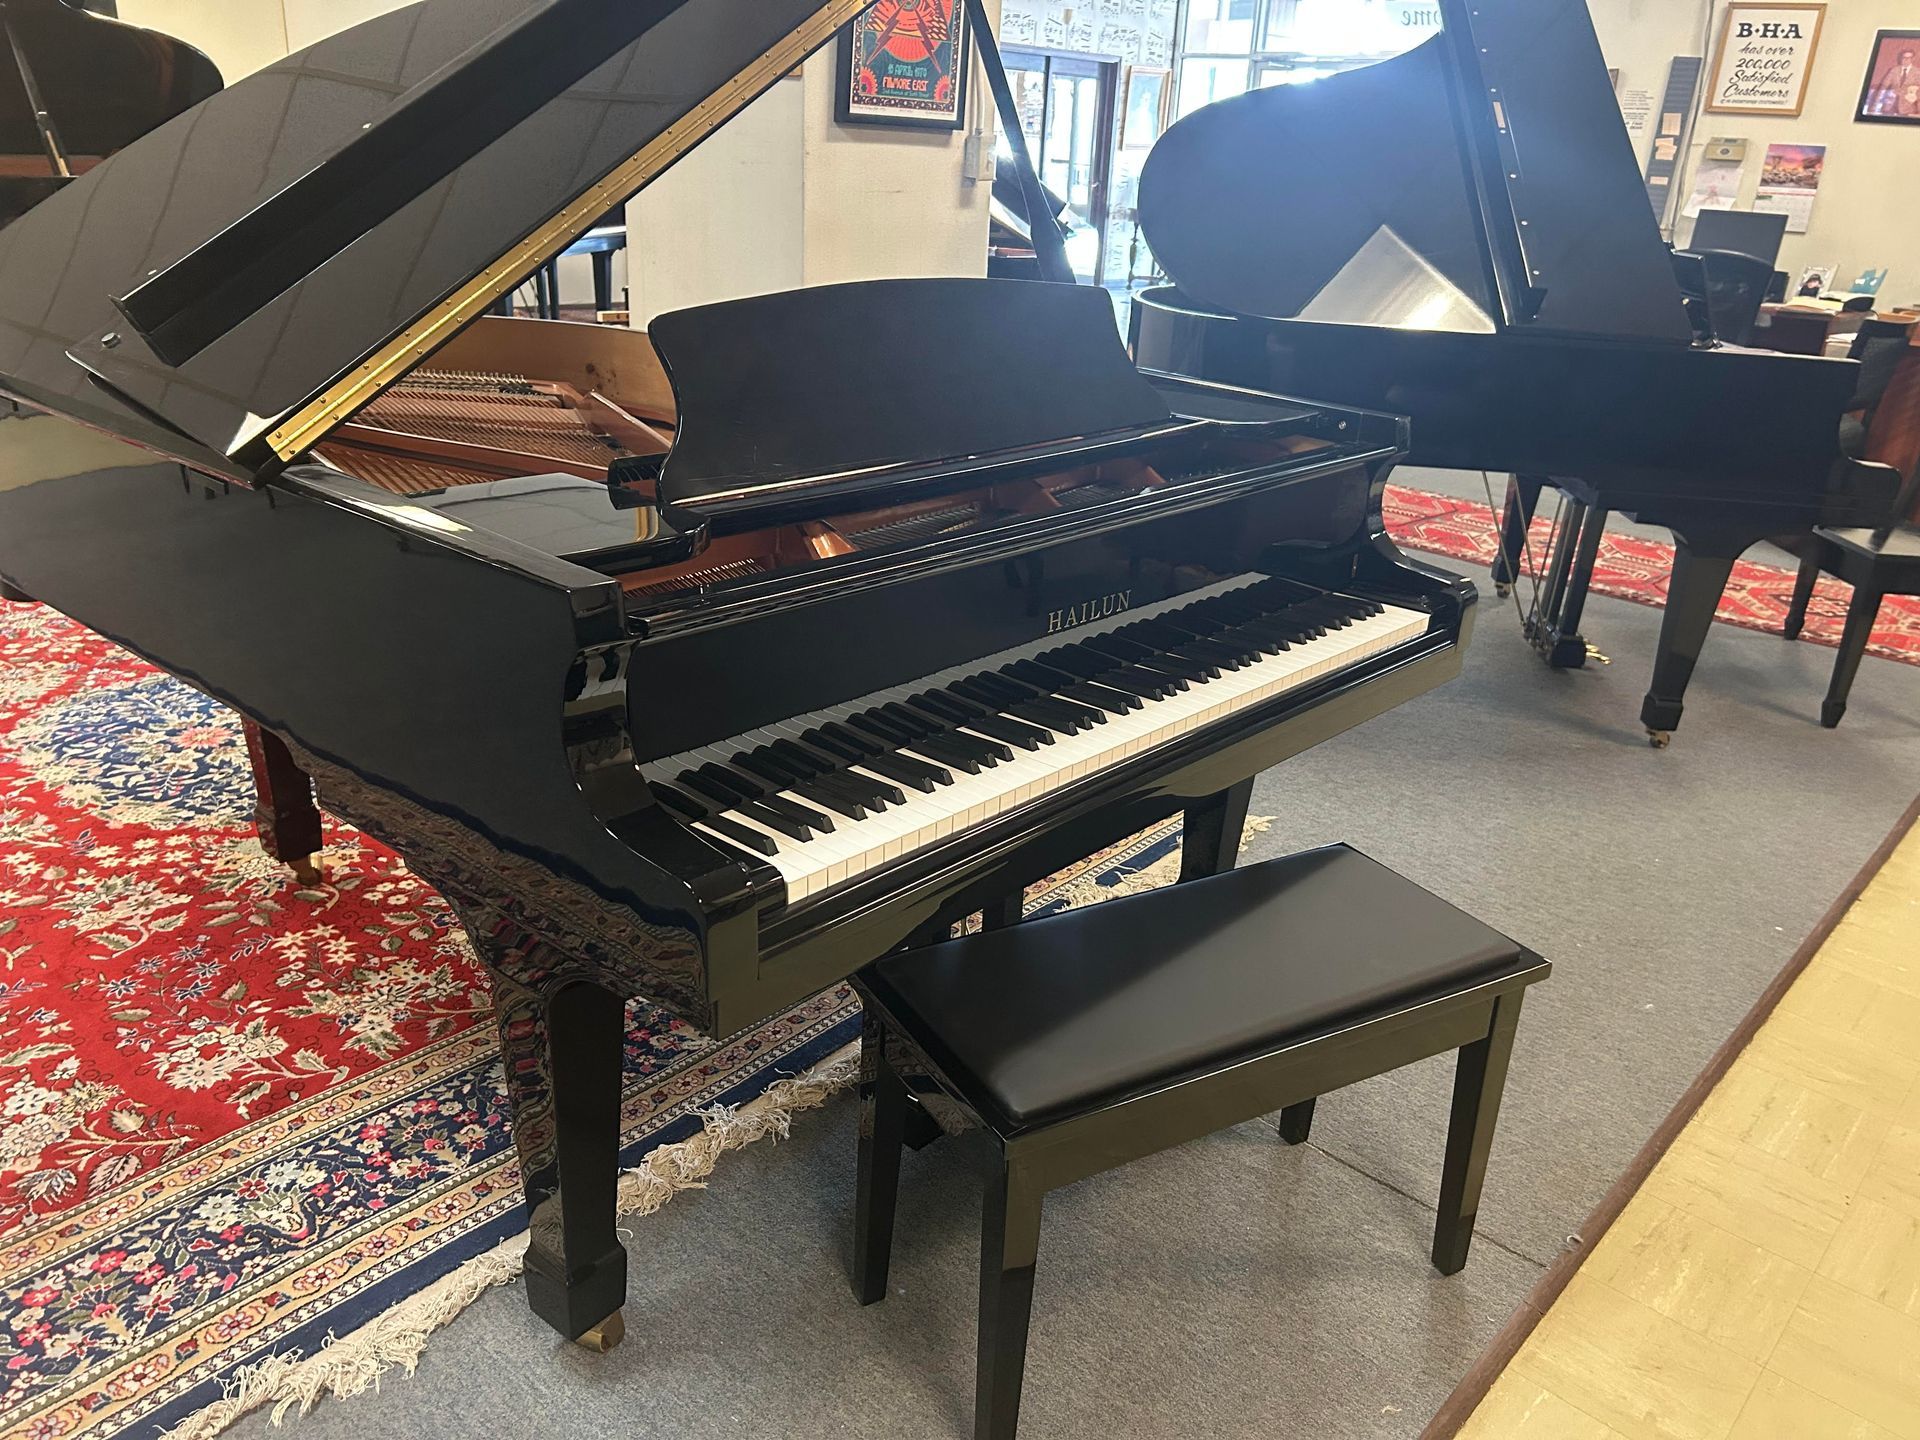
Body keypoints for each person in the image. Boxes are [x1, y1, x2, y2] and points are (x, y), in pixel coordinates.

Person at [1873, 47, 1919, 114]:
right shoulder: (1894, 70)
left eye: (1909, 58)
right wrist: (1875, 104)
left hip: (1909, 109)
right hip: (1890, 106)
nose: (1906, 60)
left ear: (1913, 59)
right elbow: (1883, 87)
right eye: (1904, 57)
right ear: (1901, 58)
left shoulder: (1917, 72)